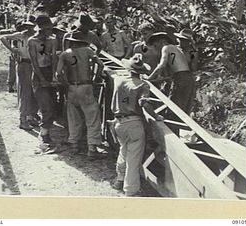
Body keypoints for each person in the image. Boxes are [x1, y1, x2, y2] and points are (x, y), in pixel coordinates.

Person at [109, 54, 163, 197]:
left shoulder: (118, 81)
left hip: (119, 123)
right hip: (134, 123)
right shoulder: (142, 84)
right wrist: (156, 116)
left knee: (123, 151)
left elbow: (110, 73)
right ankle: (130, 190)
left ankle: (119, 180)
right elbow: (144, 104)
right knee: (134, 158)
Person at [55, 31, 106, 161]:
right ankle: (92, 149)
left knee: (73, 117)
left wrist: (66, 84)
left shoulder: (65, 54)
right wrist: (96, 78)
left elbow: (58, 73)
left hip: (72, 87)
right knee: (92, 117)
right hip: (86, 86)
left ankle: (74, 145)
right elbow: (100, 64)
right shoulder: (87, 51)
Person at [0, 20, 40, 130]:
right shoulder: (20, 35)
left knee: (34, 91)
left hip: (34, 64)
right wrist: (12, 49)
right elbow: (3, 38)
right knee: (25, 91)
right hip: (24, 63)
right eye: (27, 27)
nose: (29, 29)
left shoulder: (36, 37)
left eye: (31, 27)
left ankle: (31, 116)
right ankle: (23, 119)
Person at [28, 14, 58, 150]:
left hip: (49, 71)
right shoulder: (32, 41)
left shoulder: (52, 40)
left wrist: (54, 76)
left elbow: (53, 59)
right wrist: (42, 79)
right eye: (48, 29)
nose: (50, 31)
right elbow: (34, 63)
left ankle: (46, 132)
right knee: (46, 106)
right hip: (38, 74)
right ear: (41, 29)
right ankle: (44, 134)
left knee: (52, 106)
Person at [147, 32, 196, 115]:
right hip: (188, 78)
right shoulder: (176, 49)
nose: (157, 48)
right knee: (182, 108)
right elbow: (179, 68)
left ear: (161, 42)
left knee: (174, 108)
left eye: (156, 45)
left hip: (181, 78)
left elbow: (161, 65)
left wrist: (149, 79)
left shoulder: (166, 48)